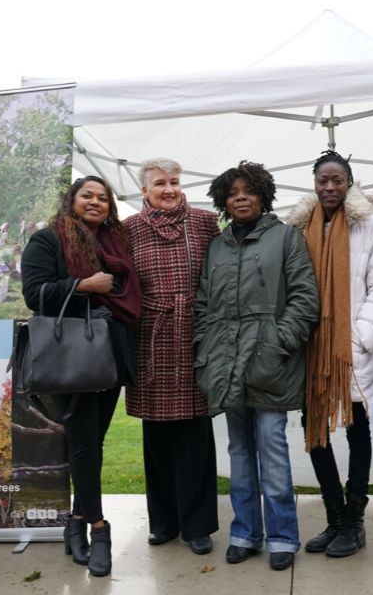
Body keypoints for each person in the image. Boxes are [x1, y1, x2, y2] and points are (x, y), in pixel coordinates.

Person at [194, 161, 319, 572]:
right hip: (227, 365)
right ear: (224, 202)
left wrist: (277, 342)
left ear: (264, 196)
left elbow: (304, 300)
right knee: (239, 455)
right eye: (233, 193)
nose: (241, 197)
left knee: (273, 451)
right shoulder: (217, 245)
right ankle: (245, 532)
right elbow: (202, 305)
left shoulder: (285, 238)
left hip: (270, 366)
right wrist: (205, 348)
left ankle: (283, 536)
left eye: (248, 190)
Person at [21, 176, 142, 577]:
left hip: (107, 357)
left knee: (90, 443)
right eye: (87, 195)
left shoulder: (115, 244)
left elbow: (125, 294)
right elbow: (35, 294)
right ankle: (98, 528)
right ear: (71, 200)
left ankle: (74, 524)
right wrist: (83, 285)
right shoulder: (48, 240)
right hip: (69, 358)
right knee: (85, 444)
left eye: (103, 197)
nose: (95, 202)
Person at [285, 150, 373, 558]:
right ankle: (335, 517)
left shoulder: (370, 225)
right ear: (313, 183)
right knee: (316, 434)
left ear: (350, 183)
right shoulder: (296, 230)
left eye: (337, 180)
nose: (330, 187)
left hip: (352, 349)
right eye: (323, 181)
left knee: (358, 430)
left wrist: (360, 335)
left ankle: (355, 518)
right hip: (310, 349)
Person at [123, 158, 220, 555]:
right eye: (160, 183)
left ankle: (197, 526)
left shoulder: (203, 222)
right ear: (144, 191)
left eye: (174, 182)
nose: (168, 189)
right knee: (157, 437)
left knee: (195, 437)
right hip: (150, 337)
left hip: (194, 335)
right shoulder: (127, 229)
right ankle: (163, 521)